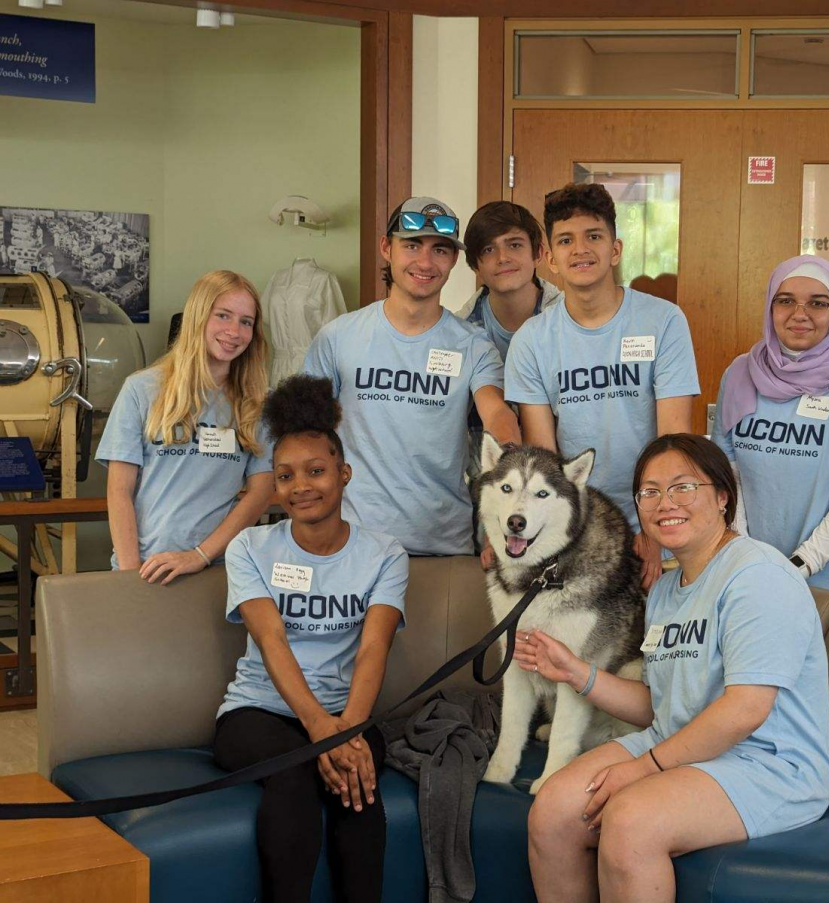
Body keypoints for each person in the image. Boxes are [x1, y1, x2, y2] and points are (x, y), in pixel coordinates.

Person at [520, 434, 829, 901]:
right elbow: (661, 706)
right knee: (553, 810)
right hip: (680, 743)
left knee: (631, 820)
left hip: (769, 764)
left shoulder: (758, 575)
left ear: (723, 497)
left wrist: (645, 767)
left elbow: (746, 710)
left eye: (683, 487)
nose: (665, 503)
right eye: (649, 492)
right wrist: (575, 673)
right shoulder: (666, 590)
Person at [214, 374, 408, 903]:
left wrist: (347, 731)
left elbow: (374, 648)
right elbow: (272, 641)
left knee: (358, 783)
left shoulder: (386, 554)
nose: (301, 486)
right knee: (296, 774)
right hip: (256, 714)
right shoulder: (251, 547)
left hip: (347, 713)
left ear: (344, 474)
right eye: (285, 476)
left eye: (316, 471)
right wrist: (323, 731)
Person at [505, 183, 700, 589]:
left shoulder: (663, 321)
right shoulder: (531, 340)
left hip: (660, 523)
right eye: (565, 240)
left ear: (615, 249)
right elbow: (545, 461)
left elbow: (673, 440)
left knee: (659, 647)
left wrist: (653, 529)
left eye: (593, 236)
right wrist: (571, 538)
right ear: (550, 259)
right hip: (578, 529)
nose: (580, 249)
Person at [303, 196, 520, 556]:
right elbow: (304, 433)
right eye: (412, 245)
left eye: (440, 250)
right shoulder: (338, 337)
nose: (425, 261)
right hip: (354, 545)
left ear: (453, 260)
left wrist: (511, 469)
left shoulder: (473, 345)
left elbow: (496, 412)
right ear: (387, 248)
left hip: (443, 546)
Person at [712, 255, 829, 594]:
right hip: (751, 573)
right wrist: (743, 551)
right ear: (771, 307)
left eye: (818, 303)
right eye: (785, 301)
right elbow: (727, 470)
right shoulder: (739, 373)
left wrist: (801, 564)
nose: (800, 314)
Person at [97, 269, 274, 582]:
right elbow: (119, 491)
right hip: (144, 570)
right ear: (198, 317)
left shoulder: (255, 404)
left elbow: (260, 493)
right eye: (223, 316)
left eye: (246, 322)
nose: (234, 331)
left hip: (218, 570)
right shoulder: (141, 390)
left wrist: (200, 556)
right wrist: (128, 573)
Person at [454, 200, 564, 480]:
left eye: (514, 244)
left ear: (538, 253)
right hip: (488, 486)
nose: (502, 257)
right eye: (489, 249)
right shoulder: (458, 333)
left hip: (568, 479)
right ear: (475, 264)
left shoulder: (569, 321)